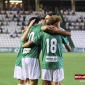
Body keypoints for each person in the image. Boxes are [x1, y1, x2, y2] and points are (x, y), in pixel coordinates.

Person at [22, 15, 71, 85]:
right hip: (57, 63)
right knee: (57, 83)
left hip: (46, 63)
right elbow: (69, 49)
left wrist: (23, 45)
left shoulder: (42, 33)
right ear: (57, 23)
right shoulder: (61, 34)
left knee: (45, 83)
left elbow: (29, 43)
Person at [13, 18, 36, 85]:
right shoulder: (25, 33)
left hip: (28, 60)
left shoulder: (32, 33)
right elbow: (23, 42)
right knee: (22, 81)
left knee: (28, 80)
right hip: (21, 60)